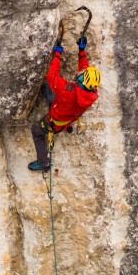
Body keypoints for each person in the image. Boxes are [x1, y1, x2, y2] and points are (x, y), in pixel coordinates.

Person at [28, 35, 101, 172]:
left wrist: (56, 55)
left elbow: (51, 76)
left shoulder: (68, 91)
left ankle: (43, 163)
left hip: (55, 121)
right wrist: (81, 51)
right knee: (49, 92)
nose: (79, 74)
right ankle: (67, 127)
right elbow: (84, 69)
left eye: (81, 76)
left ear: (81, 81)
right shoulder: (92, 93)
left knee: (36, 130)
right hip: (68, 115)